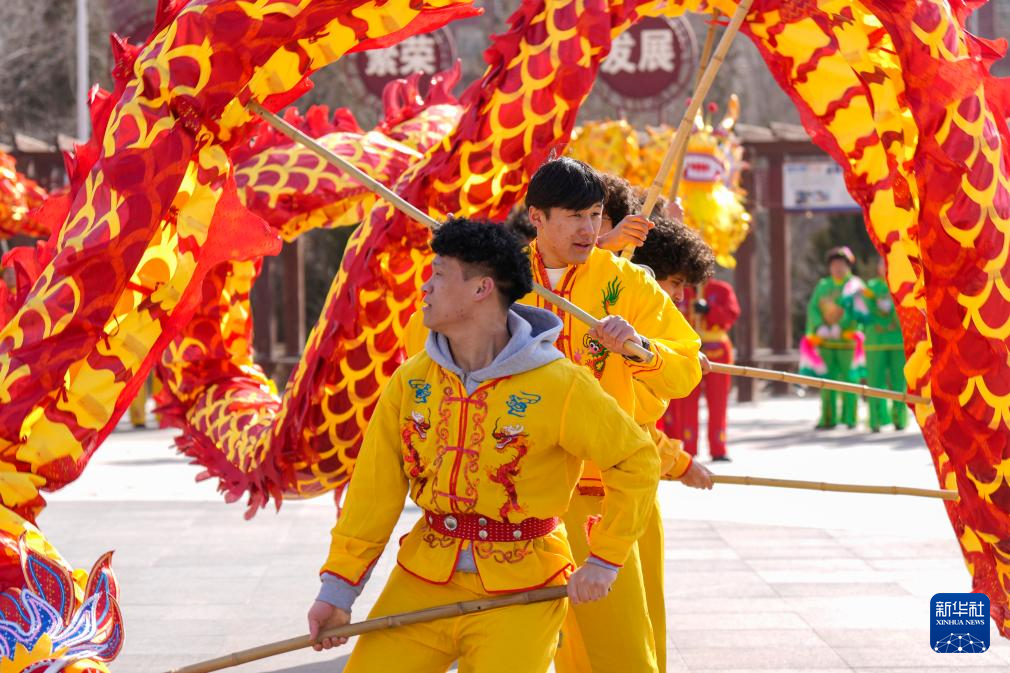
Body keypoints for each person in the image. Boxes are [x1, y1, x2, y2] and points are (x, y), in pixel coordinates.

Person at [306, 218, 660, 673]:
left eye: (438, 275)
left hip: (524, 586)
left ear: (481, 289)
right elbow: (373, 491)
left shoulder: (561, 383)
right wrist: (337, 591)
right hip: (425, 576)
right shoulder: (412, 380)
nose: (425, 288)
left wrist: (605, 559)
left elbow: (635, 459)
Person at [523, 158, 702, 673]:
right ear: (537, 217)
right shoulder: (501, 278)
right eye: (573, 217)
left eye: (595, 215)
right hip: (519, 493)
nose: (588, 229)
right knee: (546, 647)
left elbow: (685, 367)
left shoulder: (627, 283)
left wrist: (641, 349)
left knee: (622, 647)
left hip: (604, 493)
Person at [632, 220, 739, 461]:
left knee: (718, 402)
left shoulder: (721, 290)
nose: (680, 292)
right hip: (682, 349)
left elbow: (731, 315)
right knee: (684, 401)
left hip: (716, 348)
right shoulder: (678, 290)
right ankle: (687, 450)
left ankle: (718, 447)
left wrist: (710, 310)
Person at [804, 246, 864, 430]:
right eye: (834, 264)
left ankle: (850, 418)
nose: (837, 267)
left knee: (849, 381)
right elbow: (813, 308)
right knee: (826, 381)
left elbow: (857, 308)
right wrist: (819, 326)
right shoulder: (823, 285)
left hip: (847, 342)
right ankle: (828, 418)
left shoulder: (855, 285)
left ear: (848, 266)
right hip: (827, 342)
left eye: (841, 264)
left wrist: (842, 325)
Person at [859, 257, 907, 431]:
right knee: (875, 381)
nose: (885, 265)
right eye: (882, 262)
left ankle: (899, 419)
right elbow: (864, 310)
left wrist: (893, 315)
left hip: (897, 341)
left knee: (899, 381)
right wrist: (879, 320)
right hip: (875, 341)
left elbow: (907, 308)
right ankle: (876, 420)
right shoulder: (870, 287)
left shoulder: (902, 285)